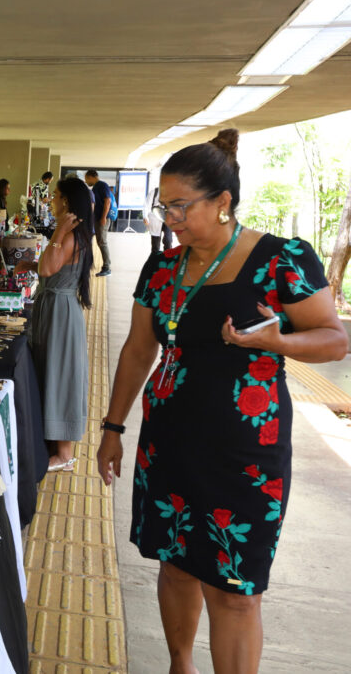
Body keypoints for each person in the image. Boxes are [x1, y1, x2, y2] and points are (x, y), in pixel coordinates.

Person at [96, 129, 346, 673]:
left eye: (181, 206)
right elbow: (140, 350)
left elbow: (334, 338)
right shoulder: (162, 268)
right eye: (165, 207)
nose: (170, 219)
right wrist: (112, 428)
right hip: (169, 444)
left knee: (235, 589)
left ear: (224, 202)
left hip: (244, 455)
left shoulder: (282, 259)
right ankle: (179, 664)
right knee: (177, 564)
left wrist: (278, 342)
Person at [14, 177, 94, 471]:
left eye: (56, 196)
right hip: (55, 307)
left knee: (61, 374)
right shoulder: (77, 234)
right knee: (50, 369)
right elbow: (51, 267)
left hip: (60, 311)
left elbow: (50, 266)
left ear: (68, 202)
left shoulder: (72, 235)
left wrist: (59, 230)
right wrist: (30, 266)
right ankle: (55, 442)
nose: (51, 201)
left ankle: (65, 454)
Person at [87, 170, 113, 276]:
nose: (86, 181)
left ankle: (107, 267)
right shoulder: (96, 187)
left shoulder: (102, 185)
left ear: (91, 176)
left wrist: (103, 217)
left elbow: (108, 201)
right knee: (99, 242)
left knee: (102, 242)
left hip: (102, 219)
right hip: (98, 219)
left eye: (86, 178)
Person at [144, 187, 174, 254]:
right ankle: (155, 260)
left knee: (168, 240)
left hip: (167, 218)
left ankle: (167, 259)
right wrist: (145, 216)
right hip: (155, 218)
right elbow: (147, 205)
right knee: (155, 245)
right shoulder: (154, 192)